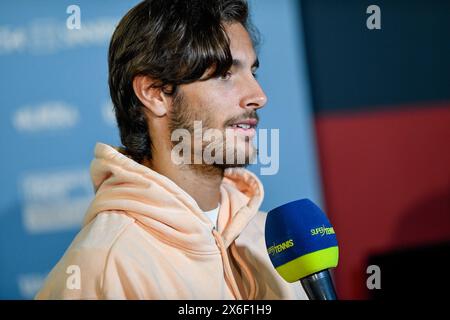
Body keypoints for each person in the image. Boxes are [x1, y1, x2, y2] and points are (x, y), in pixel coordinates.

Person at [36, 0, 307, 299]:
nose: (259, 96)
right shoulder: (101, 267)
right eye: (225, 74)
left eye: (252, 72)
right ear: (154, 93)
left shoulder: (274, 239)